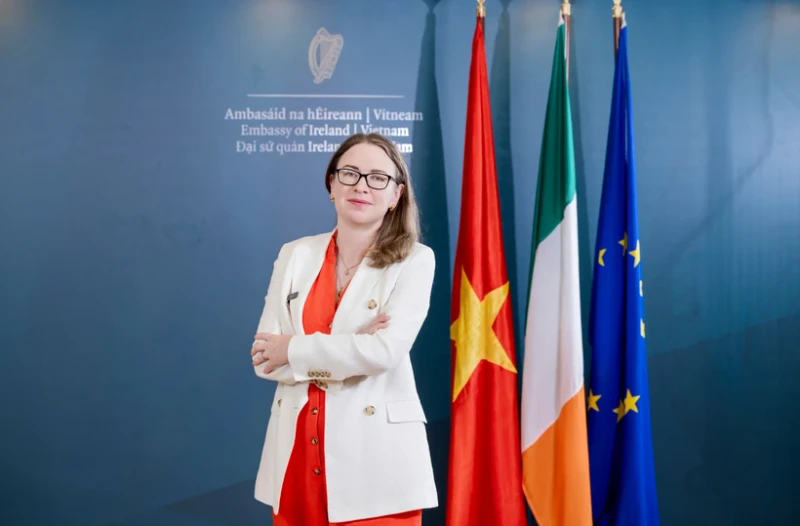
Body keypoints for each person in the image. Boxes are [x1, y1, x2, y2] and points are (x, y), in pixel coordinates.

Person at [249, 132, 438, 526]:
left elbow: (383, 353)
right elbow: (265, 358)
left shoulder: (415, 260)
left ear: (396, 194)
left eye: (378, 178)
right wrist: (351, 347)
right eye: (350, 173)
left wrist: (293, 349)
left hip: (377, 464)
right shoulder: (295, 254)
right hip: (295, 459)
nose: (361, 186)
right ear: (332, 184)